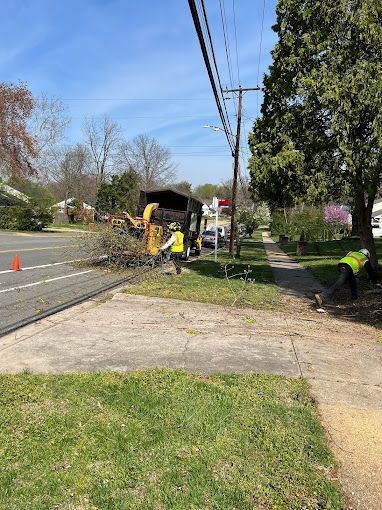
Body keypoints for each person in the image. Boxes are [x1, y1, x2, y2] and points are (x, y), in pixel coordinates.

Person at [315, 248, 380, 306]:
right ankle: (322, 296)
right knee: (339, 283)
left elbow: (350, 259)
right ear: (367, 255)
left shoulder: (352, 252)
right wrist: (375, 282)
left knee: (352, 282)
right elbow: (370, 272)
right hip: (348, 268)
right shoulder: (365, 259)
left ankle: (354, 299)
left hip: (341, 264)